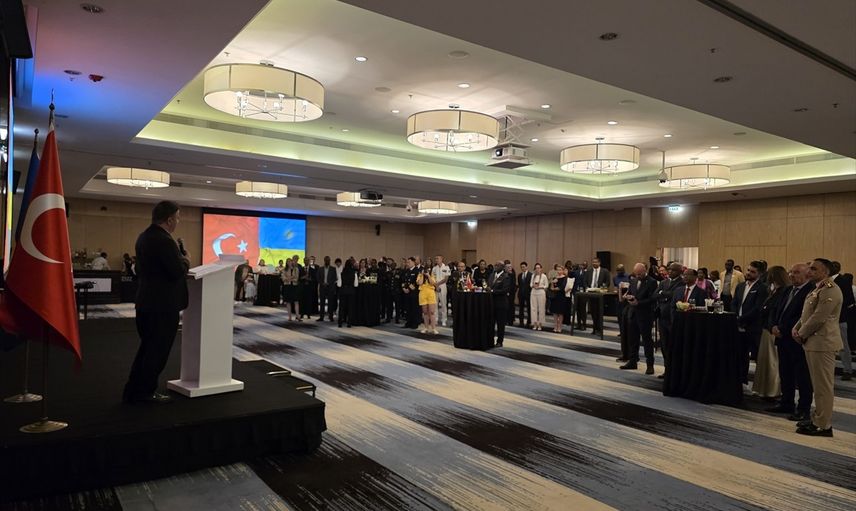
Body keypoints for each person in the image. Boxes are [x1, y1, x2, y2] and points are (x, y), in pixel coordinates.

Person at [123, 201, 189, 404]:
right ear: (169, 220)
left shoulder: (144, 237)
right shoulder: (164, 241)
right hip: (162, 305)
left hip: (147, 302)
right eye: (177, 218)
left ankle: (134, 391)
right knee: (156, 352)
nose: (177, 222)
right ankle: (144, 392)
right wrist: (186, 259)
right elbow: (176, 270)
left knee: (147, 349)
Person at [793, 258, 843, 437]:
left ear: (825, 272)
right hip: (813, 342)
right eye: (810, 268)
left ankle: (823, 425)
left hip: (823, 342)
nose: (809, 271)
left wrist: (801, 333)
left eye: (814, 269)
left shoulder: (831, 289)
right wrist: (796, 327)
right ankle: (817, 419)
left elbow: (819, 317)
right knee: (817, 385)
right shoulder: (817, 288)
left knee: (823, 387)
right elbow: (807, 314)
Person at [767, 263, 814, 420]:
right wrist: (773, 326)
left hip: (797, 339)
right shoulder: (787, 290)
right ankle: (786, 402)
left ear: (807, 275)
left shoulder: (811, 291)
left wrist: (783, 329)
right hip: (782, 338)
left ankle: (803, 408)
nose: (792, 275)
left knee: (802, 376)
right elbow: (775, 309)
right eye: (791, 272)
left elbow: (804, 316)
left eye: (797, 272)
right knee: (785, 372)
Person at [732, 261, 769, 392]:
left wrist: (742, 318)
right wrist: (735, 316)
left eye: (752, 272)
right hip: (738, 325)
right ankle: (741, 380)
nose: (748, 273)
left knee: (757, 355)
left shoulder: (762, 288)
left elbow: (758, 308)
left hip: (753, 327)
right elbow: (734, 302)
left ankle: (761, 386)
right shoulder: (740, 286)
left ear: (759, 274)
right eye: (748, 270)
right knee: (741, 354)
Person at [753, 265, 789, 399]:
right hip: (766, 329)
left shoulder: (783, 292)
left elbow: (775, 311)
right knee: (765, 361)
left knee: (772, 361)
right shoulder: (774, 290)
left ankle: (773, 390)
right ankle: (765, 389)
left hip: (772, 330)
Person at [620, 263, 658, 374]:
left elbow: (653, 299)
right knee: (632, 340)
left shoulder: (652, 282)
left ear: (645, 271)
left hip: (645, 315)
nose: (637, 275)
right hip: (633, 314)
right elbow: (631, 293)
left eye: (640, 274)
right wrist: (628, 297)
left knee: (647, 341)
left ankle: (650, 365)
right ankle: (633, 361)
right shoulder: (633, 281)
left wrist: (639, 303)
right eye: (636, 274)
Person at [654, 263, 683, 378]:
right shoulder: (663, 282)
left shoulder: (681, 282)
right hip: (662, 317)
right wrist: (664, 295)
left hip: (673, 318)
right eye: (669, 269)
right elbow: (655, 294)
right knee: (664, 345)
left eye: (673, 270)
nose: (670, 271)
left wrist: (663, 293)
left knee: (674, 346)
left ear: (679, 272)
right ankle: (667, 369)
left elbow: (674, 295)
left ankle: (675, 371)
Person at [831, 261, 854, 381]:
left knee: (843, 346)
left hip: (840, 318)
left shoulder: (843, 281)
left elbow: (849, 300)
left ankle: (847, 370)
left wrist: (835, 306)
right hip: (828, 319)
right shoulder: (826, 281)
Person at [581, 258, 611, 334]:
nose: (594, 263)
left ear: (599, 263)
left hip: (600, 294)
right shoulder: (589, 271)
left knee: (599, 312)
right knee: (593, 312)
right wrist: (587, 288)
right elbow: (585, 281)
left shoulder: (605, 271)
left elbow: (607, 282)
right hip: (591, 293)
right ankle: (594, 328)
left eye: (596, 262)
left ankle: (599, 329)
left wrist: (603, 288)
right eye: (593, 262)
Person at [489, 261, 513, 346]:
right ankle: (490, 340)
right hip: (491, 303)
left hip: (501, 304)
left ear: (502, 267)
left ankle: (499, 341)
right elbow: (488, 285)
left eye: (497, 265)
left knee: (500, 324)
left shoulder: (506, 277)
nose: (495, 266)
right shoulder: (492, 275)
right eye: (495, 265)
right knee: (491, 323)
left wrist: (492, 291)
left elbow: (504, 290)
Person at [549, 267, 572, 333]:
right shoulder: (555, 278)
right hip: (555, 297)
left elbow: (562, 287)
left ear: (563, 271)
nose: (559, 271)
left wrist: (555, 289)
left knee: (560, 313)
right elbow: (551, 288)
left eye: (560, 270)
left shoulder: (565, 278)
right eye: (558, 270)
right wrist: (553, 282)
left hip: (561, 296)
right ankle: (555, 326)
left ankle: (559, 327)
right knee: (555, 312)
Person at [337, 258, 359, 328]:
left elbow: (339, 285)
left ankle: (340, 322)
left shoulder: (341, 273)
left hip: (343, 292)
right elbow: (356, 285)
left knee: (342, 308)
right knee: (350, 308)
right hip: (351, 292)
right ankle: (349, 323)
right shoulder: (354, 273)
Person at [417, 267, 438, 334]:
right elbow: (420, 283)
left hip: (431, 294)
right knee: (425, 312)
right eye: (425, 270)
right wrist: (422, 275)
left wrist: (428, 275)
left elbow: (432, 283)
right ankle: (426, 327)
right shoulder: (420, 275)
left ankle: (433, 328)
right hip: (422, 294)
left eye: (428, 270)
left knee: (432, 312)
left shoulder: (432, 275)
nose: (426, 271)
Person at [432, 255, 451, 327]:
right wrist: (436, 285)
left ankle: (444, 320)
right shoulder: (434, 268)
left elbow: (446, 279)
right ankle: (436, 319)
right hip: (435, 286)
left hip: (443, 286)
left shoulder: (446, 267)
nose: (436, 260)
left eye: (438, 258)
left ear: (442, 259)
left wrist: (438, 284)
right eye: (435, 258)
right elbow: (432, 278)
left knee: (443, 303)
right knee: (435, 304)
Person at [317, 256, 337, 321]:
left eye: (328, 260)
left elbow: (334, 278)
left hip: (330, 287)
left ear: (330, 261)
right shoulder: (320, 269)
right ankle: (321, 317)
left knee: (330, 303)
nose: (327, 261)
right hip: (322, 287)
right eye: (326, 260)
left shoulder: (333, 269)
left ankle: (331, 317)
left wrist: (329, 283)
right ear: (324, 260)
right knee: (322, 303)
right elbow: (318, 278)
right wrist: (322, 283)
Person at [402, 257, 420, 328]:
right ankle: (408, 322)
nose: (407, 264)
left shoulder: (417, 271)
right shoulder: (406, 271)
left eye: (409, 262)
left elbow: (416, 282)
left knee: (414, 308)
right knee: (408, 308)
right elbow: (403, 280)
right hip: (407, 292)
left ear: (413, 262)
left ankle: (415, 323)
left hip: (414, 292)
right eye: (407, 262)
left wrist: (409, 289)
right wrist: (403, 288)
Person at [529, 263, 548, 331]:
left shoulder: (544, 276)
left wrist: (540, 287)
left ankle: (540, 324)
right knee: (533, 309)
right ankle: (534, 324)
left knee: (541, 308)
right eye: (536, 268)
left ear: (541, 269)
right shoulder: (533, 275)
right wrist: (533, 286)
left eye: (538, 268)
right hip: (533, 292)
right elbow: (530, 284)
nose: (537, 269)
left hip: (541, 292)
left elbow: (546, 285)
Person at [517, 261, 532, 328]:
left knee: (529, 309)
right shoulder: (519, 275)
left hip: (528, 294)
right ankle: (521, 322)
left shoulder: (530, 275)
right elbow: (519, 285)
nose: (522, 268)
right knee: (521, 309)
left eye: (524, 267)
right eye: (521, 267)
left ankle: (528, 322)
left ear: (526, 267)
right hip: (521, 294)